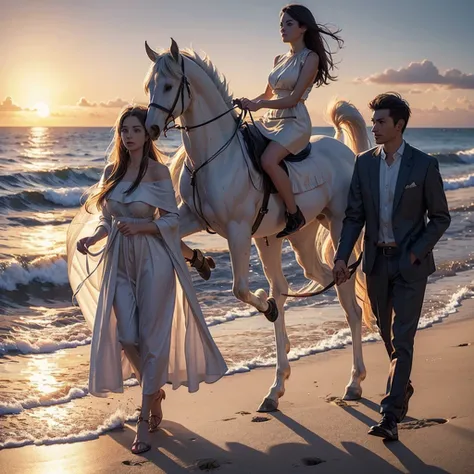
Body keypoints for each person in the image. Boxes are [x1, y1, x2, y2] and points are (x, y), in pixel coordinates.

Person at [69, 105, 227, 454]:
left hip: (153, 261)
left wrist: (142, 226)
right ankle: (154, 390)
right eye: (124, 129)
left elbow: (171, 220)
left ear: (146, 134)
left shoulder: (157, 173)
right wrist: (94, 237)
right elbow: (106, 217)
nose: (129, 135)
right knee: (126, 335)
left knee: (152, 340)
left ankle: (144, 418)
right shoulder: (111, 171)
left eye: (136, 129)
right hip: (119, 261)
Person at [333, 93, 451, 441]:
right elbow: (354, 216)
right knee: (385, 332)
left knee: (403, 338)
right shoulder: (364, 164)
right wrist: (342, 256)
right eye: (373, 122)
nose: (374, 127)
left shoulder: (424, 165)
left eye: (381, 122)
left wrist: (415, 253)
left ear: (399, 125)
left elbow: (440, 217)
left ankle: (390, 413)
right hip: (375, 265)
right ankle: (403, 388)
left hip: (410, 265)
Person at [238, 4, 343, 238]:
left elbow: (294, 98)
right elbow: (267, 95)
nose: (282, 29)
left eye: (289, 24)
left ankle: (294, 214)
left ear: (303, 28)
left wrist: (261, 105)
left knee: (268, 160)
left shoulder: (311, 58)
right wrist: (247, 102)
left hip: (294, 123)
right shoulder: (278, 59)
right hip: (271, 119)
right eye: (281, 24)